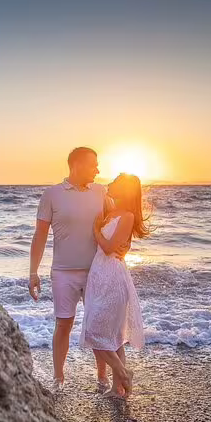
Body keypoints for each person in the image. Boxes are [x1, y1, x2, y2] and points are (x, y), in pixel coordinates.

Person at [29, 147, 125, 392]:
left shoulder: (101, 192)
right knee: (63, 324)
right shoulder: (51, 194)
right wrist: (33, 272)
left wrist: (124, 246)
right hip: (63, 272)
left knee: (98, 324)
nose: (98, 170)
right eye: (93, 165)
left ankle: (102, 377)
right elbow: (40, 236)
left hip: (97, 271)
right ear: (77, 165)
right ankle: (59, 379)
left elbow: (121, 218)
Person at [80, 173, 148, 397]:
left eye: (115, 183)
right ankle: (118, 388)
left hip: (113, 278)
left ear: (125, 190)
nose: (109, 184)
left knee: (94, 331)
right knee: (113, 334)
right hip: (98, 276)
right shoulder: (110, 210)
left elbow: (109, 248)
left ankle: (122, 372)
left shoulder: (127, 215)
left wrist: (96, 230)